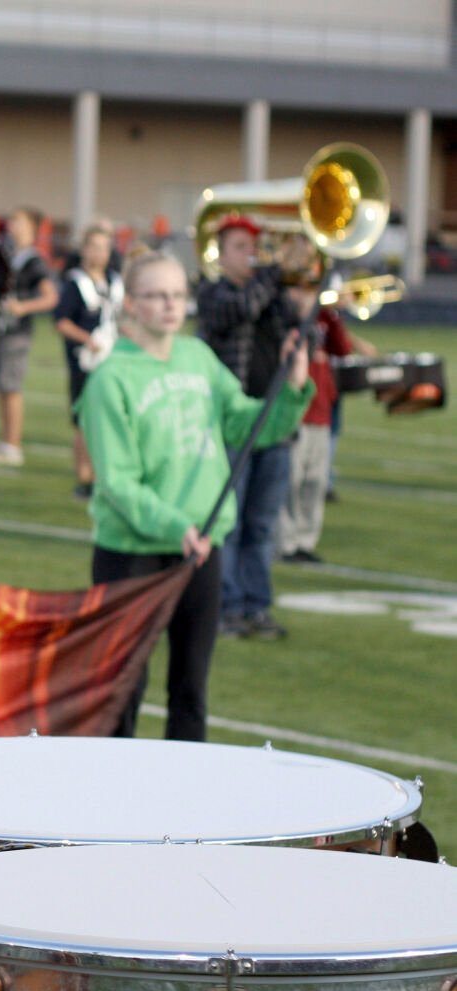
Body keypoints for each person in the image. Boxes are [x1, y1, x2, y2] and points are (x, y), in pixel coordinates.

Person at [80, 250, 311, 743]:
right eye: (157, 295)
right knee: (122, 689)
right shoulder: (110, 378)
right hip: (132, 554)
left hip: (202, 546)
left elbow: (250, 426)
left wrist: (291, 389)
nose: (171, 305)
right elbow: (117, 482)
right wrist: (174, 527)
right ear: (132, 304)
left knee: (191, 688)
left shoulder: (198, 357)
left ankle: (185, 809)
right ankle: (112, 806)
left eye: (179, 295)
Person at [196, 213, 294, 640]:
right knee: (229, 524)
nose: (251, 255)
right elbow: (240, 309)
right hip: (232, 427)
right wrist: (273, 274)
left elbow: (298, 332)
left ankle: (257, 606)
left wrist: (295, 276)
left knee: (261, 525)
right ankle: (227, 606)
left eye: (254, 246)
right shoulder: (213, 292)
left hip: (273, 424)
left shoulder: (273, 294)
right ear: (220, 253)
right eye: (240, 247)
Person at [277, 255, 375, 564]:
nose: (310, 292)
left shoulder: (326, 317)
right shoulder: (285, 315)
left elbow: (342, 350)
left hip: (321, 408)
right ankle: (286, 543)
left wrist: (331, 315)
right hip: (295, 410)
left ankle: (305, 540)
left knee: (315, 482)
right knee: (290, 481)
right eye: (305, 286)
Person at [0, 207, 57, 467]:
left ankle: (13, 446)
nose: (13, 225)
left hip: (17, 334)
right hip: (2, 329)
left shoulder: (34, 260)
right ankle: (5, 443)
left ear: (32, 228)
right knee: (1, 387)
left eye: (19, 221)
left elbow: (50, 296)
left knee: (11, 388)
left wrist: (23, 307)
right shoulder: (11, 255)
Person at [54, 223, 122, 498]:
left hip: (112, 361)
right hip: (85, 362)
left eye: (104, 247)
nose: (99, 253)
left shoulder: (114, 282)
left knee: (108, 419)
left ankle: (103, 475)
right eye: (93, 246)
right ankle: (84, 477)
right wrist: (88, 340)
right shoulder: (76, 283)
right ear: (83, 250)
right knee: (83, 420)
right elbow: (61, 322)